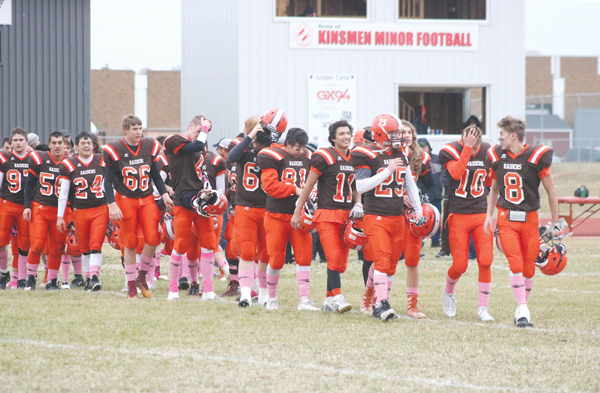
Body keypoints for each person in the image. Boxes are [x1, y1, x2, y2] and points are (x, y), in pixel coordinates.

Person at [484, 116, 559, 327]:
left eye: (502, 134)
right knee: (515, 262)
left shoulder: (536, 156)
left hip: (530, 219)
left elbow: (551, 191)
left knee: (528, 267)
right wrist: (490, 215)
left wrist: (556, 222)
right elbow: (494, 189)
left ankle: (521, 307)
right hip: (506, 217)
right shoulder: (497, 156)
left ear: (513, 135)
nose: (499, 138)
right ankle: (524, 310)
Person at [351, 114, 422, 321]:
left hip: (396, 215)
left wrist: (417, 209)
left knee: (391, 264)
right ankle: (381, 304)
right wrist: (387, 170)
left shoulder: (401, 153)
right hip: (376, 214)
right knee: (381, 259)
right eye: (393, 134)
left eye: (398, 133)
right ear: (380, 134)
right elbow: (361, 186)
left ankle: (373, 297)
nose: (398, 137)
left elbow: (410, 184)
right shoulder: (365, 153)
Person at [292, 120, 360, 313]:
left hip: (347, 214)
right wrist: (298, 211)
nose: (346, 136)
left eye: (348, 133)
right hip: (327, 214)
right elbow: (307, 186)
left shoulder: (353, 158)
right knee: (334, 256)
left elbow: (355, 187)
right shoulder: (324, 156)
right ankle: (337, 296)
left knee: (342, 263)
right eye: (341, 134)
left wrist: (359, 204)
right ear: (333, 138)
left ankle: (329, 300)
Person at [103, 115, 173, 299]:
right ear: (125, 130)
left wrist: (164, 194)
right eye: (134, 128)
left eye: (140, 128)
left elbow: (156, 175)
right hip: (126, 199)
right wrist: (112, 204)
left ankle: (142, 276)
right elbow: (107, 180)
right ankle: (131, 284)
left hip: (147, 198)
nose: (138, 132)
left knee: (153, 237)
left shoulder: (149, 146)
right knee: (131, 241)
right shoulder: (115, 149)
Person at [258, 127, 319, 311]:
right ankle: (271, 298)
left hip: (300, 214)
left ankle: (304, 300)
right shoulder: (273, 156)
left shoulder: (308, 156)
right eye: (297, 148)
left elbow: (315, 182)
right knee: (276, 259)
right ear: (289, 143)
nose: (301, 152)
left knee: (304, 256)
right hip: (277, 213)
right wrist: (296, 190)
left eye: (303, 148)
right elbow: (270, 186)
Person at [438, 126, 494, 321]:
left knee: (486, 260)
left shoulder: (487, 150)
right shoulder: (450, 150)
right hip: (458, 214)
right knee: (460, 265)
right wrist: (467, 149)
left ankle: (483, 308)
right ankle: (448, 292)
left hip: (480, 212)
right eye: (469, 139)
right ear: (462, 137)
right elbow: (455, 173)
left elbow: (490, 181)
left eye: (476, 141)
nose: (473, 143)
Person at [227, 112, 281, 308]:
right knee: (247, 251)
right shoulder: (243, 146)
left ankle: (265, 293)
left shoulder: (273, 149)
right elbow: (232, 157)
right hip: (246, 206)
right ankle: (245, 295)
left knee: (266, 253)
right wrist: (250, 137)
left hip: (268, 207)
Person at [162, 116, 218, 301]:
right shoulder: (174, 140)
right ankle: (173, 290)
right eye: (199, 130)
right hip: (183, 199)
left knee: (209, 244)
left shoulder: (198, 149)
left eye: (203, 132)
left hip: (200, 200)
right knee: (181, 244)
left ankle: (208, 289)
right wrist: (204, 129)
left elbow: (201, 173)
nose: (201, 135)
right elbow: (194, 146)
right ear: (191, 125)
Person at [56, 132, 109, 291]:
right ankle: (89, 277)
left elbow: (111, 185)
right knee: (84, 247)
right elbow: (63, 193)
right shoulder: (69, 164)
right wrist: (60, 216)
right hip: (79, 210)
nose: (86, 146)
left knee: (95, 244)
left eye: (89, 143)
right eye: (83, 143)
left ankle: (94, 277)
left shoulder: (102, 160)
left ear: (93, 145)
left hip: (100, 208)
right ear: (76, 146)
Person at [22, 131, 67, 290]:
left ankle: (52, 280)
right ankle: (31, 278)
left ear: (64, 145)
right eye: (53, 143)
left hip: (60, 212)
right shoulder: (39, 159)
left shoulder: (69, 163)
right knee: (37, 245)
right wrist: (27, 206)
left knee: (57, 247)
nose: (56, 146)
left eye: (59, 143)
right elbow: (29, 185)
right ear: (49, 145)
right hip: (40, 207)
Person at [0, 128, 31, 289]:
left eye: (21, 140)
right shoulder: (5, 157)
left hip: (25, 206)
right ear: (11, 142)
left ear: (26, 141)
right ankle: (3, 272)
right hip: (7, 203)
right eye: (15, 140)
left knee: (24, 243)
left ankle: (22, 278)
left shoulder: (33, 158)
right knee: (1, 240)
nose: (18, 143)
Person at [417, 137, 443, 247]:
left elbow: (444, 173)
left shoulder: (437, 159)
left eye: (424, 146)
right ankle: (420, 239)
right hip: (422, 194)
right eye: (420, 147)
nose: (423, 149)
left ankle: (436, 240)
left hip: (436, 193)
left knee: (436, 218)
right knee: (422, 218)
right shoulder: (416, 160)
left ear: (429, 147)